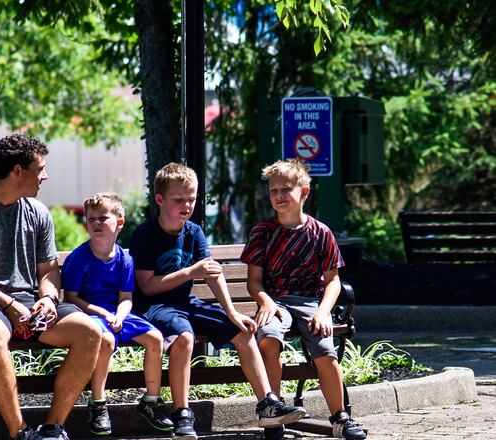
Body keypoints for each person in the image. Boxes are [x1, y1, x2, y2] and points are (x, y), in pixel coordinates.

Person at [0, 133, 103, 440]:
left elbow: (48, 271)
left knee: (90, 332)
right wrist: (7, 304)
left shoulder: (37, 212)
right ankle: (21, 433)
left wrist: (49, 299)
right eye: (40, 168)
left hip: (29, 303)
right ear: (17, 170)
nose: (45, 176)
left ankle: (53, 428)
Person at [129, 163, 307, 440]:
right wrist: (190, 272)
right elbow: (147, 287)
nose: (187, 205)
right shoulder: (145, 234)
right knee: (184, 337)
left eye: (192, 199)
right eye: (179, 200)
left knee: (243, 330)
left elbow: (212, 273)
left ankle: (267, 404)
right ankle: (182, 413)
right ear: (160, 200)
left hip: (186, 303)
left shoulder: (194, 232)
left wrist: (232, 312)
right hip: (155, 307)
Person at [241, 159, 367, 440]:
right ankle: (273, 414)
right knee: (268, 339)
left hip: (311, 302)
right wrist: (265, 301)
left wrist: (323, 312)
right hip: (275, 302)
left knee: (325, 350)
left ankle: (340, 417)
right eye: (274, 191)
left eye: (286, 189)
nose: (279, 196)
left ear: (305, 192)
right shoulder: (262, 233)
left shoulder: (321, 233)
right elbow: (254, 281)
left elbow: (333, 281)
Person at [62, 193, 172, 436]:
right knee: (107, 340)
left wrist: (120, 316)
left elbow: (126, 299)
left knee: (155, 338)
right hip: (87, 315)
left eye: (103, 218)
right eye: (91, 219)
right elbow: (71, 298)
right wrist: (104, 313)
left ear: (119, 223)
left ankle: (151, 401)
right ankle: (98, 404)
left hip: (116, 315)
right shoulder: (79, 258)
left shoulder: (125, 259)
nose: (97, 223)